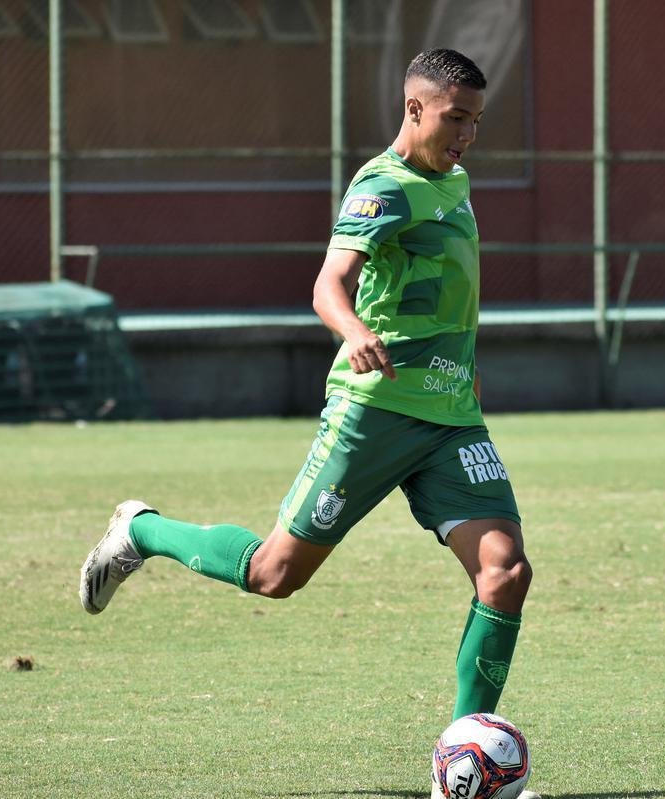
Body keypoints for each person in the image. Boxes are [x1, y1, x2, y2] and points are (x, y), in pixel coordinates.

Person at [79, 48, 536, 799]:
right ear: (415, 108)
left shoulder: (454, 182)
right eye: (456, 118)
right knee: (274, 574)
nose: (467, 136)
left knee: (505, 571)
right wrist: (351, 328)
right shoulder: (380, 185)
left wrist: (468, 375)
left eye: (477, 122)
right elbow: (328, 284)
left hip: (452, 419)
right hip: (375, 411)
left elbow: (451, 298)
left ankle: (462, 766)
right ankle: (141, 530)